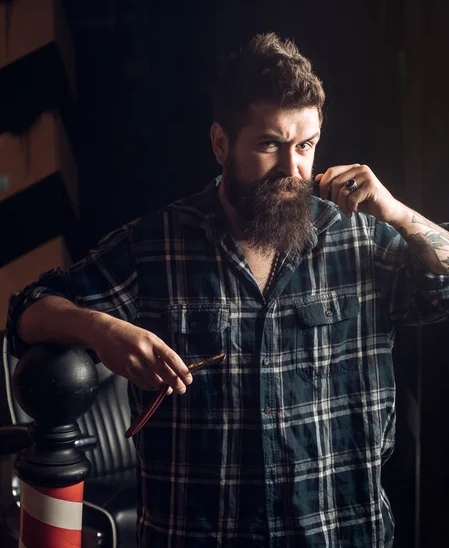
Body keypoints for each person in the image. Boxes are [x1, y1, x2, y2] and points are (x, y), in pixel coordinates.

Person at [7, 32, 449, 548]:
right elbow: (28, 311)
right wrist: (102, 330)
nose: (292, 169)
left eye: (305, 146)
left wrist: (396, 212)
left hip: (341, 535)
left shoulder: (365, 238)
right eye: (269, 145)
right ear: (221, 143)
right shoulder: (158, 245)